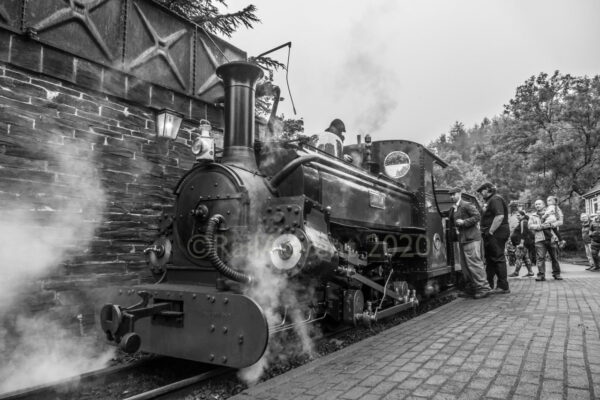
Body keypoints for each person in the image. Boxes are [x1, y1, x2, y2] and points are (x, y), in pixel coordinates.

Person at [447, 187, 491, 299]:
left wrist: (464, 222)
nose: (451, 197)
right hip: (463, 239)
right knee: (465, 266)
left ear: (459, 194)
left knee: (474, 263)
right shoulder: (454, 208)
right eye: (450, 195)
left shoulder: (466, 204)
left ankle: (484, 288)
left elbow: (477, 216)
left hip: (471, 238)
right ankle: (472, 288)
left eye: (453, 194)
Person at [476, 182, 510, 294]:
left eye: (481, 191)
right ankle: (488, 284)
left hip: (496, 233)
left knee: (498, 258)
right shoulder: (490, 201)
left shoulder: (495, 199)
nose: (480, 194)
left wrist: (490, 231)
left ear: (487, 189)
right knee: (490, 260)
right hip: (492, 233)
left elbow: (499, 216)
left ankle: (503, 286)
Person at [529, 199, 563, 280]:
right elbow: (530, 226)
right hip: (539, 239)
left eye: (539, 204)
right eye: (536, 204)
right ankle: (541, 275)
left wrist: (551, 224)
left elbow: (560, 222)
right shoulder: (532, 215)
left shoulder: (551, 212)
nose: (537, 205)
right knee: (540, 258)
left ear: (544, 205)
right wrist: (540, 226)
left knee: (554, 257)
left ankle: (557, 274)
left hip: (552, 238)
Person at [508, 211, 534, 277]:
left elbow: (523, 233)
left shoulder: (523, 222)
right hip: (523, 244)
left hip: (521, 244)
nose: (517, 216)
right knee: (526, 258)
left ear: (523, 215)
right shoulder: (524, 221)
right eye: (517, 215)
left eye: (519, 215)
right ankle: (530, 272)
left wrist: (521, 243)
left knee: (518, 257)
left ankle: (516, 272)